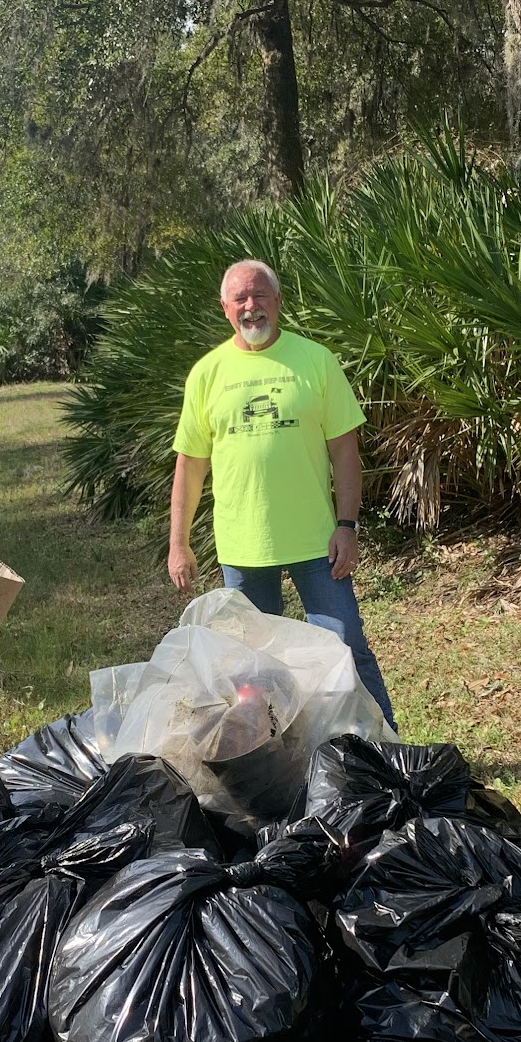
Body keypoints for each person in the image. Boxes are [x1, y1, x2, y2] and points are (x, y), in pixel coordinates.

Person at [169, 258, 397, 728]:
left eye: (260, 295)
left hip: (318, 543)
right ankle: (271, 757)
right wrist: (179, 543)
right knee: (252, 671)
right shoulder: (207, 373)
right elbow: (190, 466)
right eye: (240, 298)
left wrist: (347, 525)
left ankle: (385, 747)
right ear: (225, 307)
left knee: (346, 648)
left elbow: (345, 451)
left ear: (278, 300)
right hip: (243, 546)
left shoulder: (315, 360)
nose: (251, 306)